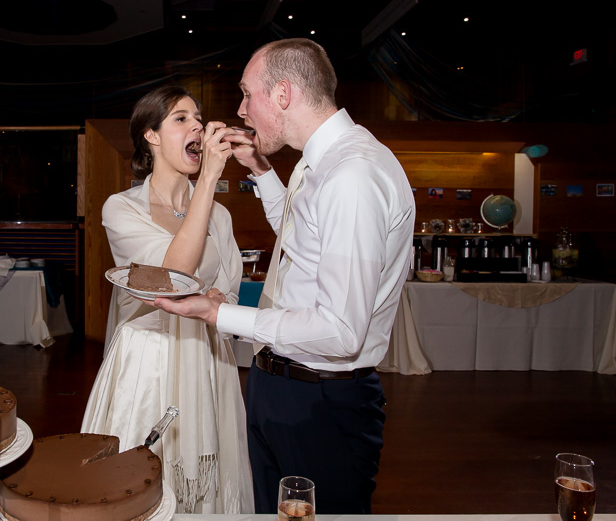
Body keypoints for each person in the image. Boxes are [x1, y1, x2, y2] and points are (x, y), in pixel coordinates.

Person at [154, 39, 415, 514]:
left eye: (247, 93)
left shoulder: (351, 176)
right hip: (281, 384)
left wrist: (221, 314)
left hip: (321, 403)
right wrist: (261, 170)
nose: (240, 109)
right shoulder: (320, 164)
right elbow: (301, 240)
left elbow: (340, 331)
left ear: (282, 95)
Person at [81, 85, 254, 514]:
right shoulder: (121, 209)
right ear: (151, 136)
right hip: (148, 363)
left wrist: (219, 297)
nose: (197, 125)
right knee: (141, 479)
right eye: (181, 118)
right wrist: (209, 177)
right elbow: (171, 278)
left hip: (207, 358)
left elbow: (230, 287)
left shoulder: (220, 214)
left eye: (199, 117)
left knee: (208, 480)